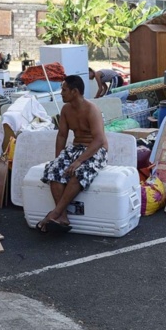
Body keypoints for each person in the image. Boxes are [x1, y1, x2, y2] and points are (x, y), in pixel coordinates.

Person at [37, 74, 109, 234]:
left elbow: (98, 140)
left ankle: (54, 213)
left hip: (96, 149)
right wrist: (58, 159)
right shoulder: (65, 110)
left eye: (64, 90)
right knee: (53, 170)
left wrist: (78, 162)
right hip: (75, 148)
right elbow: (62, 135)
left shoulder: (92, 110)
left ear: (74, 91)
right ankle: (62, 217)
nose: (61, 93)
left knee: (79, 172)